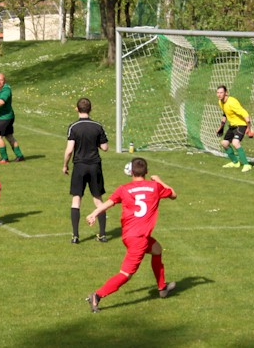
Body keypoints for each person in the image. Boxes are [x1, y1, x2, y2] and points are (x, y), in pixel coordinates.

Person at [84, 157, 177, 313]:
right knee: (125, 274)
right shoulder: (154, 187)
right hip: (138, 239)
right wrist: (159, 180)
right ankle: (97, 295)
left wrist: (94, 213)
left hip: (129, 235)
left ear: (131, 172)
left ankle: (162, 288)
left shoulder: (124, 189)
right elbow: (174, 194)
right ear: (146, 172)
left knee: (157, 249)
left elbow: (109, 202)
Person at [63, 97, 109, 244]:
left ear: (77, 109)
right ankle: (102, 234)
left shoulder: (73, 127)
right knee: (98, 199)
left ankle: (75, 236)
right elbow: (105, 147)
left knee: (76, 199)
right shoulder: (97, 126)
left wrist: (65, 165)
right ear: (90, 109)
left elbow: (69, 150)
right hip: (95, 165)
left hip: (80, 166)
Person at [216, 85, 252, 172]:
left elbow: (245, 113)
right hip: (232, 126)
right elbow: (225, 114)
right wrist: (221, 127)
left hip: (241, 125)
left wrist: (249, 128)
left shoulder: (232, 102)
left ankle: (247, 164)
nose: (219, 94)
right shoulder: (220, 102)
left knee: (235, 142)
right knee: (224, 143)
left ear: (226, 93)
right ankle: (235, 163)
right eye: (217, 92)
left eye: (221, 92)